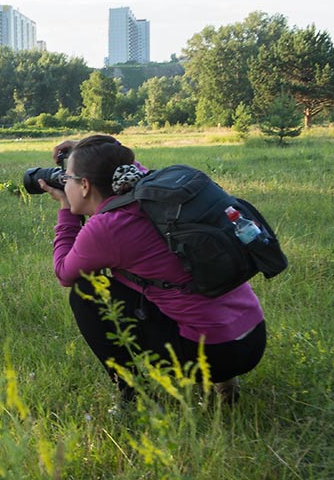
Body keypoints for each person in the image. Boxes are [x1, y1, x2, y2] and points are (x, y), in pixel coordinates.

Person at [39, 134, 266, 407]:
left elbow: (64, 272)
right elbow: (121, 163)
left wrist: (66, 209)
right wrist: (82, 153)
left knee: (85, 292)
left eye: (67, 179)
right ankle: (226, 382)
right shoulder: (152, 190)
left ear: (85, 185)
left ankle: (133, 396)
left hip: (213, 355)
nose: (64, 183)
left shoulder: (107, 228)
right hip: (252, 337)